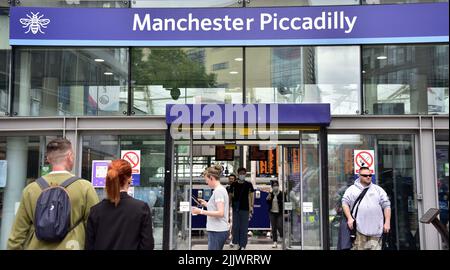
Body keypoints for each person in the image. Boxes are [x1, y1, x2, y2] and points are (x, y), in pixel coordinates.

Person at [7, 138, 99, 250]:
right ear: (70, 156)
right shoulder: (85, 187)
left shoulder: (30, 189)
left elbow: (16, 236)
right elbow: (95, 229)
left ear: (48, 159)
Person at [85, 159, 154, 250]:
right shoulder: (141, 208)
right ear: (129, 179)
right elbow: (147, 245)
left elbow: (89, 246)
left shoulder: (95, 211)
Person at [342, 166, 391, 250]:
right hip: (359, 230)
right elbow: (344, 203)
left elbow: (386, 206)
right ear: (359, 176)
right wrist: (349, 218)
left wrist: (387, 222)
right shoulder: (351, 190)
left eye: (370, 175)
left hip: (376, 231)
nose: (368, 177)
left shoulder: (378, 190)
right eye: (365, 175)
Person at [192, 164, 229, 250]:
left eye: (207, 180)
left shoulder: (218, 191)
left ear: (211, 177)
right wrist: (207, 204)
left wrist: (200, 211)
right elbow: (218, 208)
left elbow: (220, 213)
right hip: (218, 230)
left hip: (217, 230)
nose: (206, 182)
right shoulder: (219, 190)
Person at [229, 167, 255, 250]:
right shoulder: (233, 184)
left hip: (245, 208)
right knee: (235, 226)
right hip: (235, 208)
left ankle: (243, 245)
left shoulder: (248, 184)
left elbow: (251, 196)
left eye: (243, 173)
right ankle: (236, 243)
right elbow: (230, 196)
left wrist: (251, 207)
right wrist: (228, 205)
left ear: (245, 174)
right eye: (240, 173)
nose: (242, 175)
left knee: (244, 227)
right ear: (238, 174)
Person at [266, 180, 284, 248]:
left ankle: (282, 239)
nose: (275, 187)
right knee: (273, 228)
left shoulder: (282, 194)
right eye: (274, 185)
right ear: (272, 187)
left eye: (276, 185)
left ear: (278, 186)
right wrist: (268, 199)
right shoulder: (271, 193)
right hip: (272, 212)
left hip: (279, 213)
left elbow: (285, 202)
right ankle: (275, 242)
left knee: (279, 226)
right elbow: (268, 202)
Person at [226, 173, 236, 248]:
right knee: (229, 223)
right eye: (230, 179)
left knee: (233, 224)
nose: (231, 180)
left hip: (236, 208)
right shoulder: (227, 188)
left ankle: (233, 240)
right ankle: (231, 239)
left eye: (232, 179)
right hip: (229, 207)